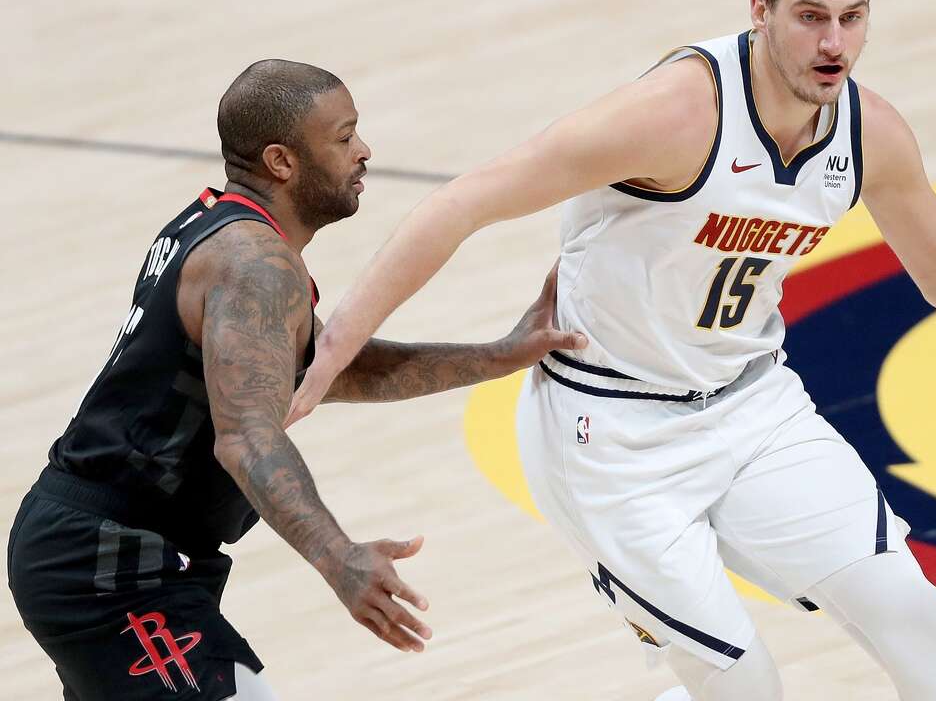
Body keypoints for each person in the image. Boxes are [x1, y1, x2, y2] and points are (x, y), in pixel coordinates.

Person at [287, 0, 936, 701]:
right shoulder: (675, 116)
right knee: (745, 683)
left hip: (752, 406)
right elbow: (463, 202)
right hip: (610, 435)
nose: (834, 42)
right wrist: (334, 346)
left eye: (852, 17)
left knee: (917, 622)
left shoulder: (870, 135)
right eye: (811, 15)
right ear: (761, 9)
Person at [6, 59, 584, 701]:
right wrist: (339, 558)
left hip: (110, 550)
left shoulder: (225, 231)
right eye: (343, 137)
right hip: (110, 564)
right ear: (282, 162)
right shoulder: (254, 264)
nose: (363, 152)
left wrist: (498, 355)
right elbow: (247, 437)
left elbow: (318, 370)